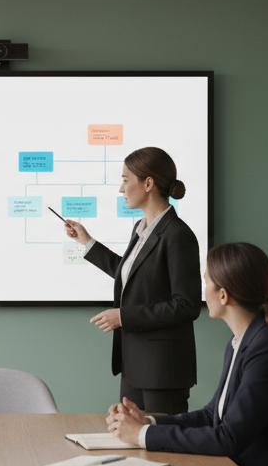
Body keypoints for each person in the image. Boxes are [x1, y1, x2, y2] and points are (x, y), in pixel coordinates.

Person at [106, 242, 268, 466]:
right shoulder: (242, 341)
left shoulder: (267, 349)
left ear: (223, 295)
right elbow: (212, 414)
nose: (203, 292)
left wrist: (142, 435)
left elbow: (228, 439)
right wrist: (149, 422)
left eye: (206, 283)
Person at [62, 146, 203, 414]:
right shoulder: (140, 229)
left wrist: (124, 317)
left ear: (148, 183)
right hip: (135, 364)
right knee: (134, 447)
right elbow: (131, 275)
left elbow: (187, 305)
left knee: (162, 449)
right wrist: (87, 241)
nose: (120, 189)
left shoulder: (177, 235)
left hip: (162, 370)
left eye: (126, 180)